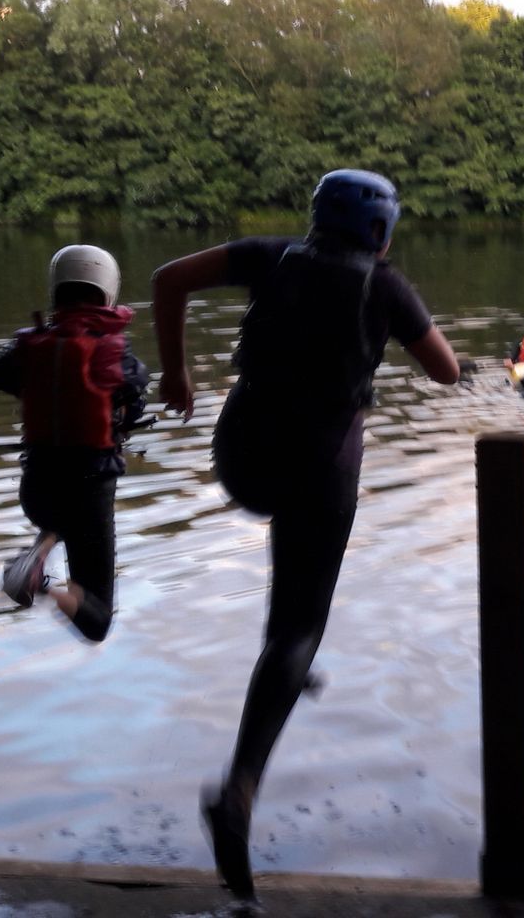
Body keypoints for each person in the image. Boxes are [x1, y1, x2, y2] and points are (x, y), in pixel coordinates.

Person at [150, 169, 460, 901]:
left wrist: (177, 375)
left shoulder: (271, 255)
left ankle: (290, 666)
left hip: (241, 458)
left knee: (290, 617)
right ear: (382, 233)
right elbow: (445, 372)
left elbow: (167, 280)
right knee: (297, 627)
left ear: (316, 218)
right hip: (316, 471)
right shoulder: (385, 287)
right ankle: (238, 790)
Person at [0, 244, 149, 642]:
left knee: (58, 517)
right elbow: (135, 402)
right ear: (109, 291)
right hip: (88, 493)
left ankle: (43, 546)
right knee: (97, 622)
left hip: (36, 490)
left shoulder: (26, 349)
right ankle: (43, 584)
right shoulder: (118, 356)